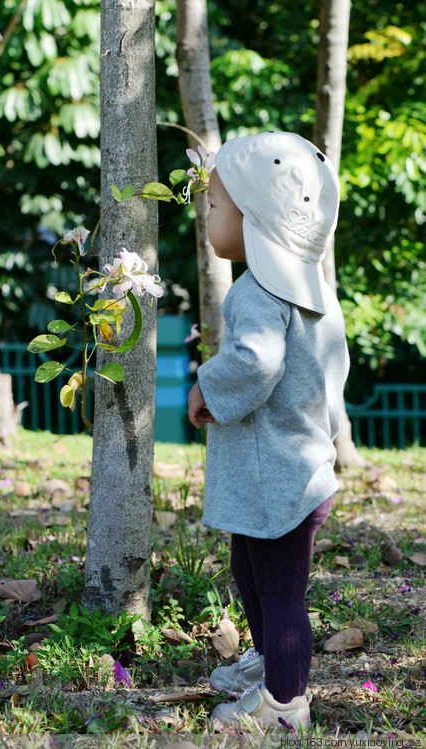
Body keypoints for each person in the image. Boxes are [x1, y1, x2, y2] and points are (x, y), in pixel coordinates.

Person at [187, 131, 350, 733]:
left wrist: (209, 387)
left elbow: (255, 363)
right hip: (296, 473)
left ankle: (284, 708)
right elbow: (334, 369)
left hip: (273, 476)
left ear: (253, 220)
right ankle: (266, 664)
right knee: (251, 573)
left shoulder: (255, 292)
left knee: (280, 596)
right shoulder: (317, 294)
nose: (209, 215)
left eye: (216, 206)